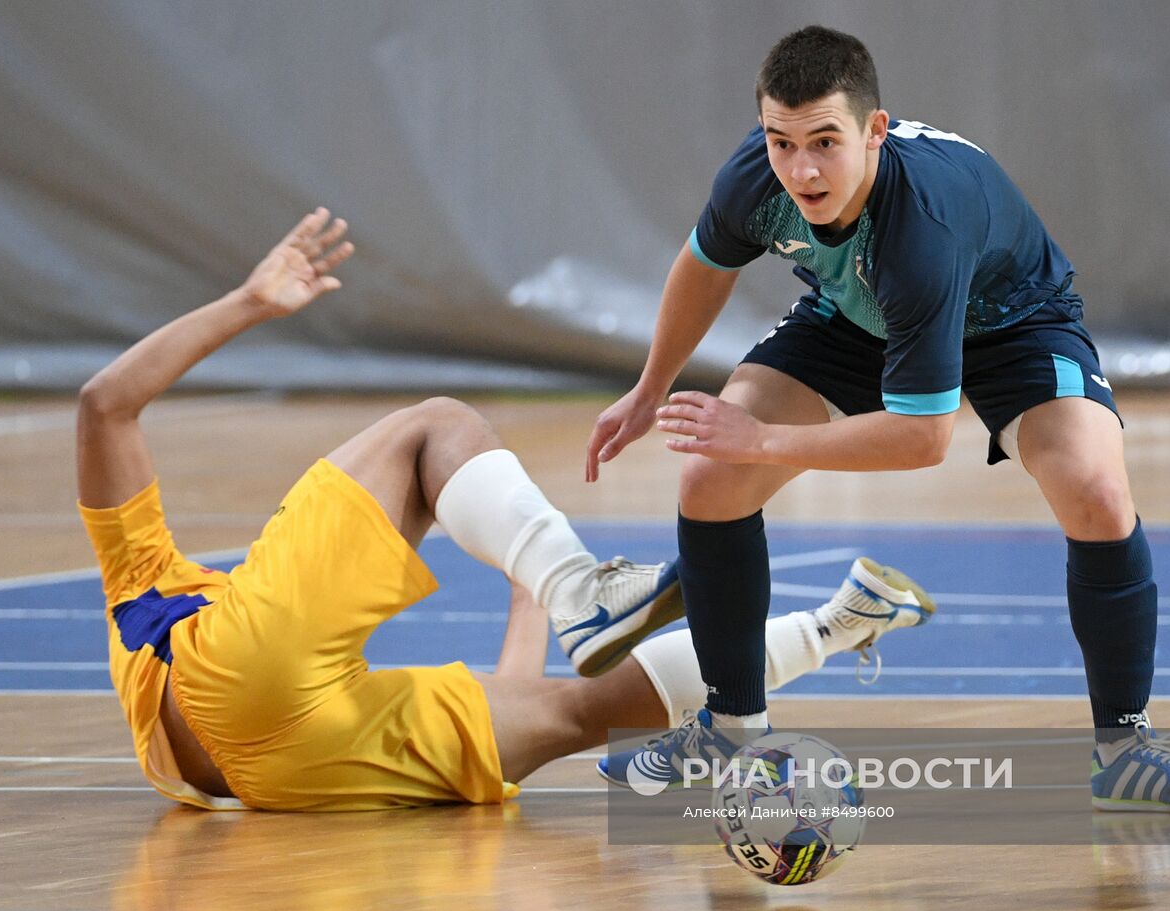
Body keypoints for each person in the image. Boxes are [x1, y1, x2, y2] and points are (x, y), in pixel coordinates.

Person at [76, 207, 931, 811]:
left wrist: (528, 598)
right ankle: (576, 590)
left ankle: (836, 624)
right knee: (434, 429)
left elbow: (103, 408)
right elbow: (104, 404)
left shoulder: (140, 592)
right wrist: (252, 302)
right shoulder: (147, 575)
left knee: (573, 709)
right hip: (243, 697)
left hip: (278, 779)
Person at [587, 27, 1170, 812]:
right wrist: (648, 387)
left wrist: (761, 437)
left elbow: (923, 440)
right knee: (710, 477)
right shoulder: (756, 179)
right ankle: (731, 730)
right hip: (859, 318)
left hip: (1012, 323)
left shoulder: (920, 226)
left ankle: (1127, 750)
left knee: (1095, 491)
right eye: (781, 141)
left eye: (825, 142)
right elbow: (703, 265)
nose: (801, 168)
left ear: (874, 131)